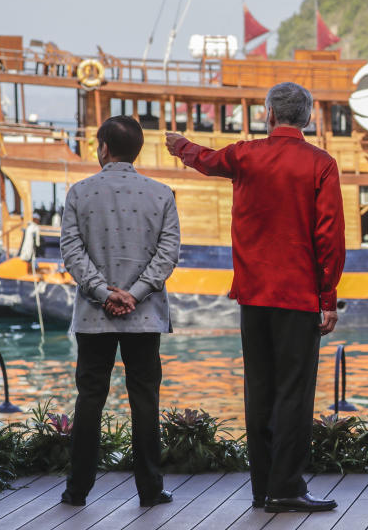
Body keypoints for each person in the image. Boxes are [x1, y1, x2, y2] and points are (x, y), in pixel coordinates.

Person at [166, 82, 345, 513]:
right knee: (294, 394)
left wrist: (180, 145)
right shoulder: (321, 164)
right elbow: (330, 238)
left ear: (268, 114)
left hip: (252, 295)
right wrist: (328, 297)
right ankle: (287, 487)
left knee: (259, 391)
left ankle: (262, 489)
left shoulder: (245, 155)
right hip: (299, 297)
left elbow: (206, 161)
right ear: (306, 118)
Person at [60, 115, 180, 508]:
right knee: (144, 399)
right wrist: (136, 293)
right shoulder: (162, 194)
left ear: (104, 147)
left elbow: (71, 252)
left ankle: (77, 490)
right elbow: (168, 255)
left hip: (94, 317)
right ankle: (150, 489)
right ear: (138, 150)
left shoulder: (79, 192)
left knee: (90, 398)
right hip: (143, 316)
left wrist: (100, 290)